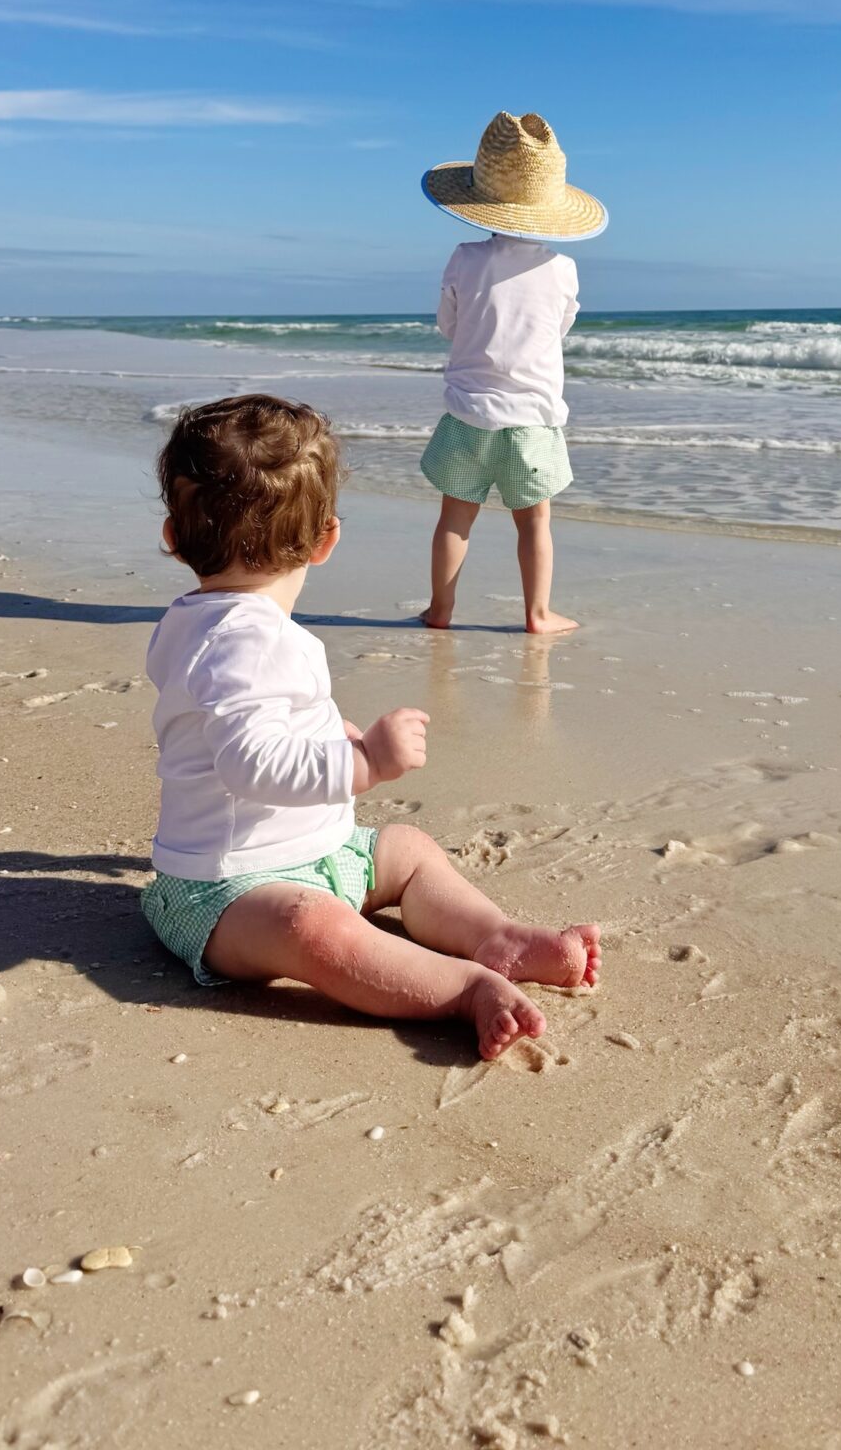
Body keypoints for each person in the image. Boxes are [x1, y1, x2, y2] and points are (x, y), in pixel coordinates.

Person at [140, 395, 600, 1060]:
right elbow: (247, 764)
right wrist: (365, 765)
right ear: (327, 539)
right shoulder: (246, 640)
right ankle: (464, 988)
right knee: (315, 929)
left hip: (321, 851)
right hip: (226, 892)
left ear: (173, 536)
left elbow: (248, 726)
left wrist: (331, 737)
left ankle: (496, 936)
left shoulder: (201, 624)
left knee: (407, 849)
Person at [418, 110, 608, 634]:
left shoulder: (464, 256)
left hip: (467, 413)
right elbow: (559, 327)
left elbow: (448, 324)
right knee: (535, 522)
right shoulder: (563, 269)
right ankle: (537, 614)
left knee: (455, 518)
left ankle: (441, 610)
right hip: (532, 417)